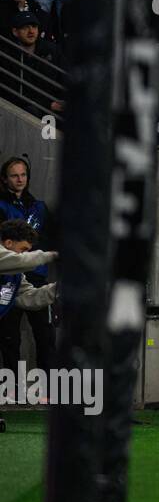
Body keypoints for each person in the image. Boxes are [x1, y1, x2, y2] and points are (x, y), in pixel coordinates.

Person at [0, 158, 54, 373]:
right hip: (7, 276)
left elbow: (48, 238)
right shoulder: (1, 206)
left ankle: (48, 388)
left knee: (46, 335)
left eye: (23, 175)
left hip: (32, 277)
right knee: (9, 338)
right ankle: (12, 389)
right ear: (5, 179)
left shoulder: (38, 207)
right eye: (14, 175)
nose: (20, 179)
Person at [0, 219, 58, 376]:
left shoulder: (16, 276)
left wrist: (58, 289)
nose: (24, 254)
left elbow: (29, 297)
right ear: (8, 243)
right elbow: (19, 260)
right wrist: (53, 256)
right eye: (23, 249)